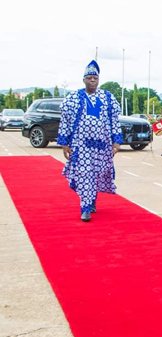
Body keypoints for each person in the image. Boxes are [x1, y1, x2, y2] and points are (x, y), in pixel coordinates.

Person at [57, 60, 122, 222]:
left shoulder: (108, 97)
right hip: (81, 146)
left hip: (102, 146)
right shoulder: (73, 98)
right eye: (90, 77)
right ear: (84, 79)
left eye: (95, 78)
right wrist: (64, 143)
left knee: (96, 175)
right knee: (85, 174)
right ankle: (85, 207)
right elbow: (65, 121)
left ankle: (91, 200)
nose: (93, 80)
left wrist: (116, 141)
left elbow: (115, 121)